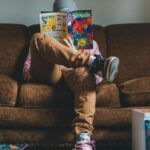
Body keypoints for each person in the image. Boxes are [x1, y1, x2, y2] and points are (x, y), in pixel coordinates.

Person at [23, 0, 120, 149]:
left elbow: (99, 77)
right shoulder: (45, 40)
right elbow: (27, 71)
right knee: (37, 38)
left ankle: (84, 138)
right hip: (51, 73)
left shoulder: (90, 43)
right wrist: (55, 52)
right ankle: (89, 61)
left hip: (75, 74)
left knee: (84, 71)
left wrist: (75, 52)